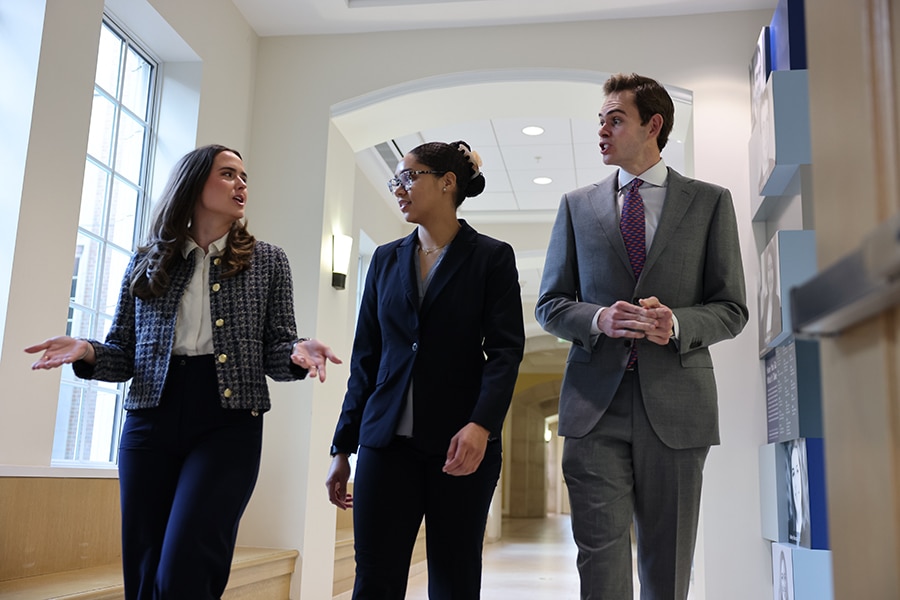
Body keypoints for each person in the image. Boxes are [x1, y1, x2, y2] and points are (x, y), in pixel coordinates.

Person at [25, 144, 341, 600]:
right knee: (145, 565)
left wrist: (296, 351)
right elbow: (123, 353)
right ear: (195, 184)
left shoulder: (269, 261)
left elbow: (276, 348)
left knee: (187, 568)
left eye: (244, 177)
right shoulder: (147, 260)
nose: (242, 185)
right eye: (229, 175)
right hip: (150, 419)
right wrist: (87, 350)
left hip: (228, 424)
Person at [535, 73, 748, 599]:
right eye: (600, 122)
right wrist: (598, 320)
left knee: (667, 566)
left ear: (653, 125)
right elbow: (550, 305)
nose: (602, 131)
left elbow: (732, 308)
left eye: (615, 120)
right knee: (601, 565)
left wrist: (675, 323)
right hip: (593, 408)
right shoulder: (576, 206)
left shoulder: (710, 203)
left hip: (678, 409)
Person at [325, 140, 525, 599]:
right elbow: (366, 359)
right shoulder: (385, 259)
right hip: (384, 445)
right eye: (397, 179)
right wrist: (343, 446)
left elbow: (506, 352)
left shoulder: (491, 257)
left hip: (461, 447)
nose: (399, 187)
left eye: (409, 176)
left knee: (454, 581)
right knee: (375, 579)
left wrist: (481, 425)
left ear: (447, 183)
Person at [787, 438, 810, 547]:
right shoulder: (789, 525)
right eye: (793, 473)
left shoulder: (809, 528)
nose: (796, 482)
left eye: (797, 471)